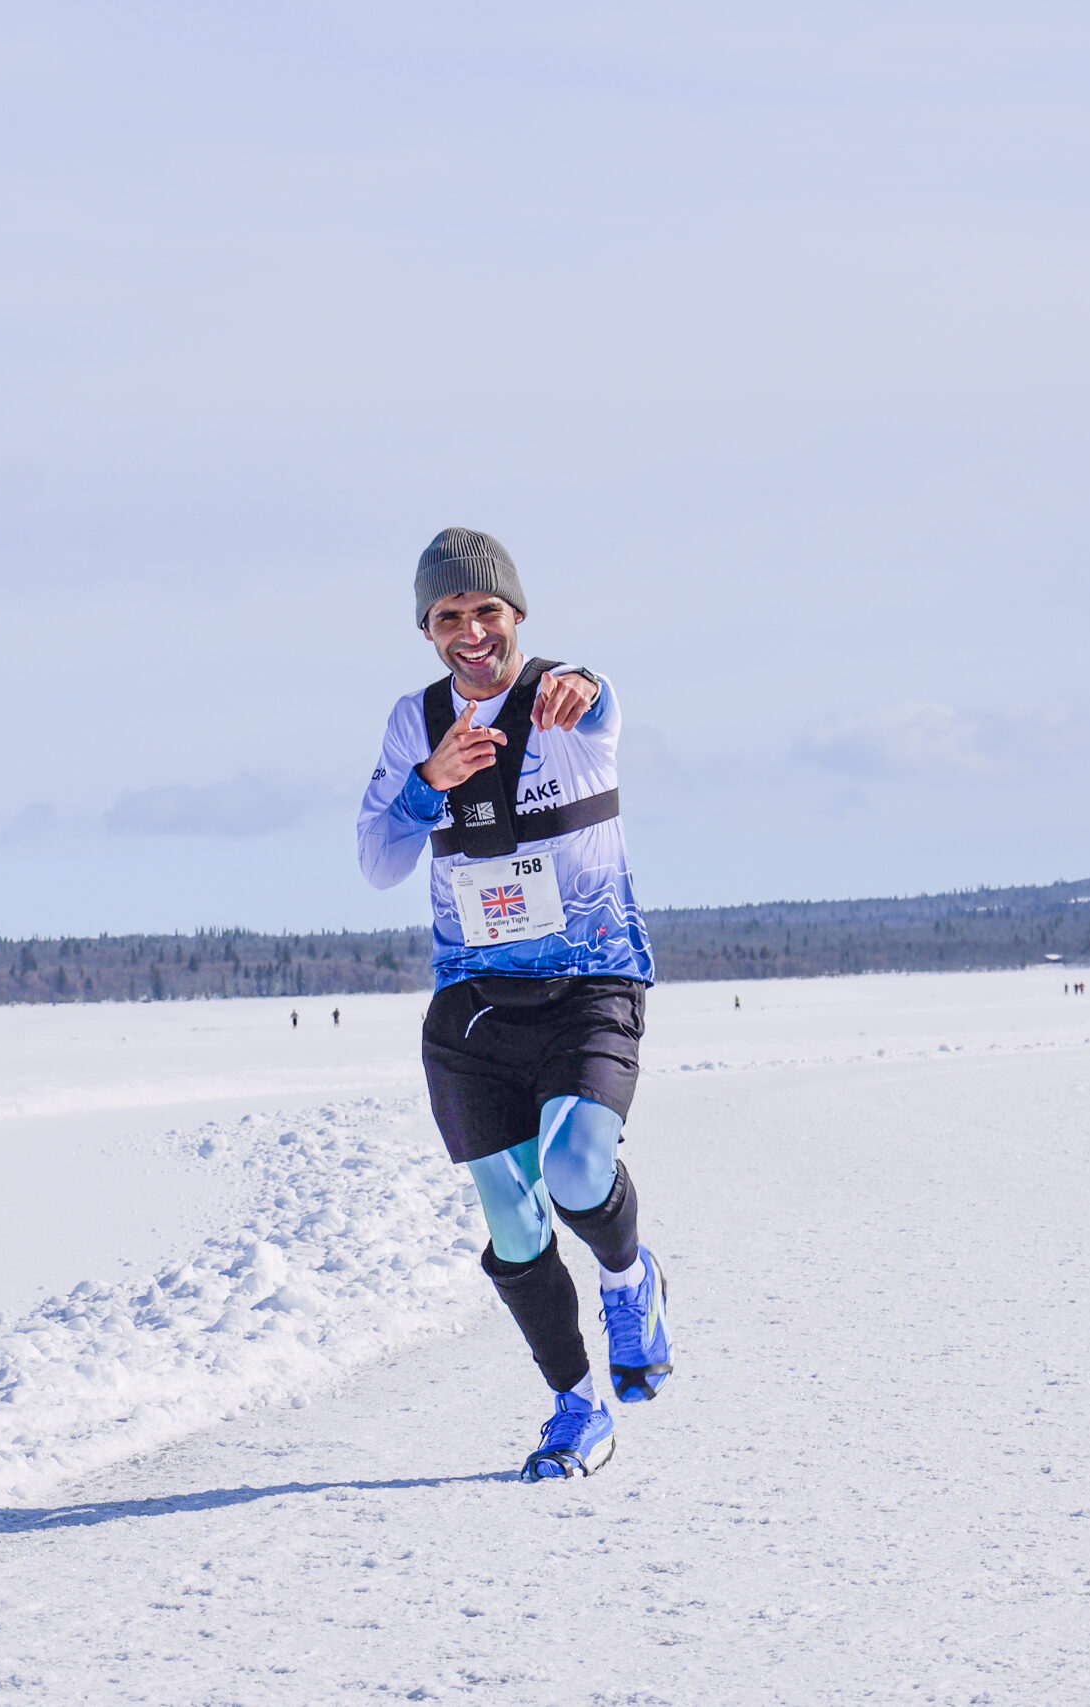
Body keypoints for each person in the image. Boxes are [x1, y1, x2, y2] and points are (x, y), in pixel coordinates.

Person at [356, 527, 672, 1482]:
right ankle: (577, 1405)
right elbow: (377, 861)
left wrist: (588, 686)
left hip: (589, 980)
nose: (470, 632)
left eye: (486, 610)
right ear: (426, 630)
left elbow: (601, 700)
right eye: (447, 616)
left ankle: (629, 1278)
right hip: (474, 1005)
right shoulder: (415, 723)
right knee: (516, 1223)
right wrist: (430, 784)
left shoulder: (570, 698)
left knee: (576, 1170)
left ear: (517, 613)